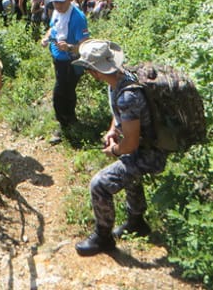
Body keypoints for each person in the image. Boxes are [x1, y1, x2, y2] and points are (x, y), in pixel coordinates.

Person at [70, 39, 166, 256]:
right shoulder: (122, 78)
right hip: (144, 147)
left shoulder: (127, 96)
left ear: (95, 72)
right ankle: (137, 221)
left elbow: (130, 144)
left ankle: (103, 238)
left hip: (151, 153)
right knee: (128, 166)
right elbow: (121, 117)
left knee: (100, 184)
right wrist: (113, 130)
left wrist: (114, 150)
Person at [40, 0, 90, 144]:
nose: (58, 6)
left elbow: (85, 44)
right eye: (55, 2)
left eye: (61, 2)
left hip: (71, 61)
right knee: (66, 90)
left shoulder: (77, 18)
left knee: (61, 92)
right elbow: (52, 28)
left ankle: (63, 124)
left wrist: (68, 46)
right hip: (58, 59)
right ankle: (69, 119)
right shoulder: (56, 11)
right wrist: (46, 37)